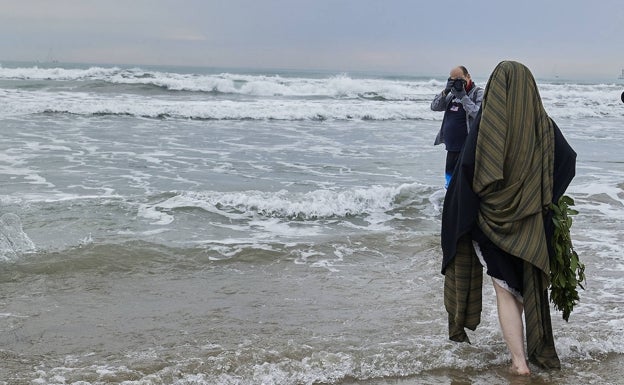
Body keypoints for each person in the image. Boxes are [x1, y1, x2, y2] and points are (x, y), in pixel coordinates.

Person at [440, 61, 577, 375]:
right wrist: (545, 198)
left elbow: (470, 174)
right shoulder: (543, 124)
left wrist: (461, 221)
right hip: (531, 223)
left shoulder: (488, 126)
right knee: (525, 287)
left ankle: (519, 363)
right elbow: (568, 160)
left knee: (504, 290)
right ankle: (527, 354)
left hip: (492, 224)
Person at [431, 66, 484, 187]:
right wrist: (445, 91)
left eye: (460, 79)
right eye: (453, 80)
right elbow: (434, 106)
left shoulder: (478, 93)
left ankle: (463, 204)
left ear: (468, 76)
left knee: (465, 182)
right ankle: (449, 203)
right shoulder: (452, 94)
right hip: (451, 147)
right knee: (449, 181)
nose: (457, 83)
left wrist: (463, 97)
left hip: (468, 147)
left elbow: (479, 115)